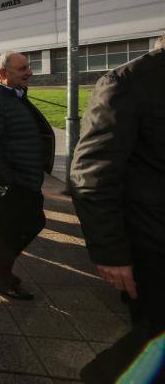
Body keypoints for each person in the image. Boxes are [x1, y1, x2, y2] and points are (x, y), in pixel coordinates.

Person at [70, 39, 165, 383]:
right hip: (153, 247)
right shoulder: (128, 82)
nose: (30, 73)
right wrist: (110, 251)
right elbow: (91, 175)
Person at [0, 51, 54, 300]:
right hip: (14, 184)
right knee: (16, 230)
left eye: (28, 67)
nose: (29, 72)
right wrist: (9, 182)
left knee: (9, 232)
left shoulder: (14, 96)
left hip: (26, 179)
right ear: (4, 74)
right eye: (23, 68)